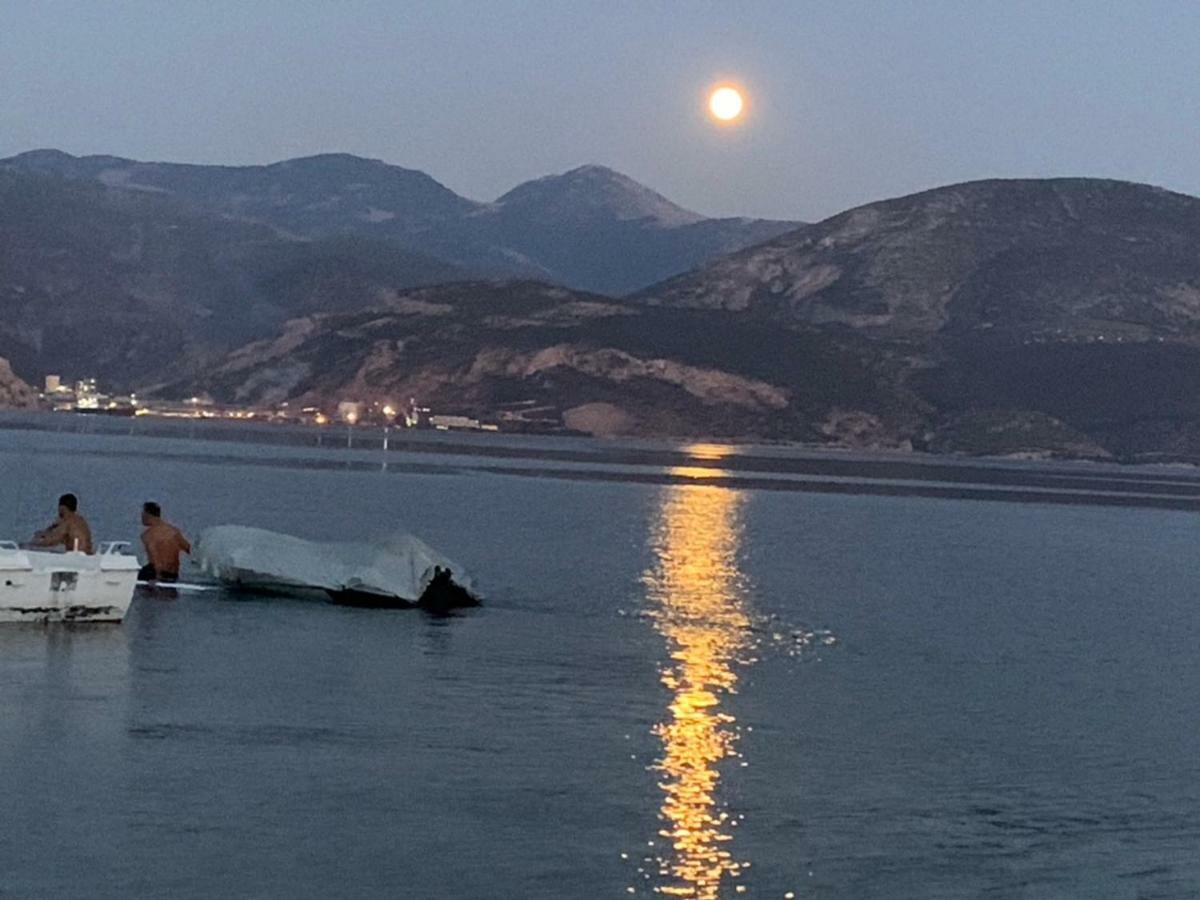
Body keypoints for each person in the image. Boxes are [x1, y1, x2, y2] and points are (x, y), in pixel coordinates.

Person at [139, 501, 191, 582]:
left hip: (156, 573)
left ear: (147, 515)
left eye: (142, 514)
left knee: (132, 574)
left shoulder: (148, 535)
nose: (141, 518)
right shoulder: (174, 532)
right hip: (173, 573)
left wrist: (157, 577)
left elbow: (155, 558)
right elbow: (189, 549)